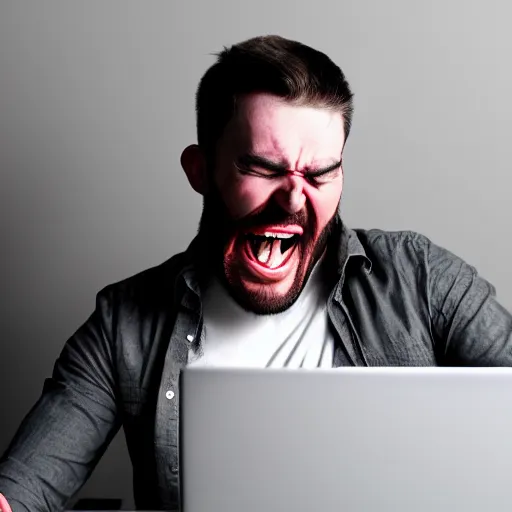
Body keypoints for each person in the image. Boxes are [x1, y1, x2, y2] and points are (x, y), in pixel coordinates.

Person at [1, 34, 512, 512]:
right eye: (265, 169)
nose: (294, 198)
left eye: (319, 174)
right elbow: (24, 488)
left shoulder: (420, 278)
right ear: (201, 170)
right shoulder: (124, 324)